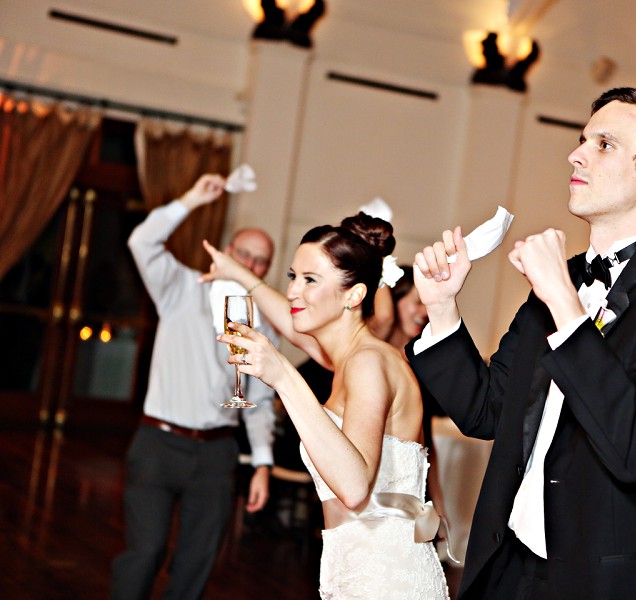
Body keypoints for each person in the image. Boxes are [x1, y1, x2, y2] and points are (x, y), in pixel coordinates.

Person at [408, 87, 636, 599]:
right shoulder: (566, 278)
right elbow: (487, 411)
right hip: (508, 566)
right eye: (583, 140)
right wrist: (443, 308)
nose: (575, 154)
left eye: (604, 144)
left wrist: (564, 304)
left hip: (600, 578)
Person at [211, 213, 450, 599]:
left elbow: (354, 488)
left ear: (354, 296)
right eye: (292, 277)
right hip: (353, 568)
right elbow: (292, 327)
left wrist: (285, 376)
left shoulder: (368, 363)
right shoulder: (349, 358)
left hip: (384, 578)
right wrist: (238, 273)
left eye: (309, 280)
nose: (292, 291)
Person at [110, 174, 276, 600]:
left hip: (217, 453)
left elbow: (259, 399)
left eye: (261, 261)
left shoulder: (261, 322)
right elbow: (141, 243)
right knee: (144, 553)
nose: (251, 266)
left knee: (196, 564)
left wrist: (261, 463)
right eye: (245, 255)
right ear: (224, 254)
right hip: (159, 444)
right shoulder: (179, 288)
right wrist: (189, 200)